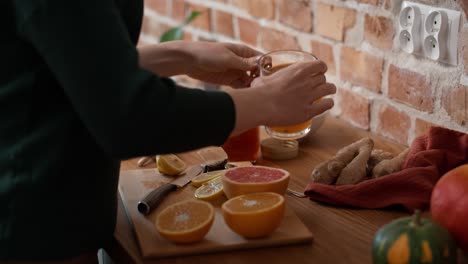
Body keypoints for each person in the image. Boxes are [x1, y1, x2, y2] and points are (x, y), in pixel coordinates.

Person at [0, 0, 336, 262]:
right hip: (32, 232)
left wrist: (183, 55)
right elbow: (129, 119)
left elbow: (72, 61)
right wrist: (266, 102)